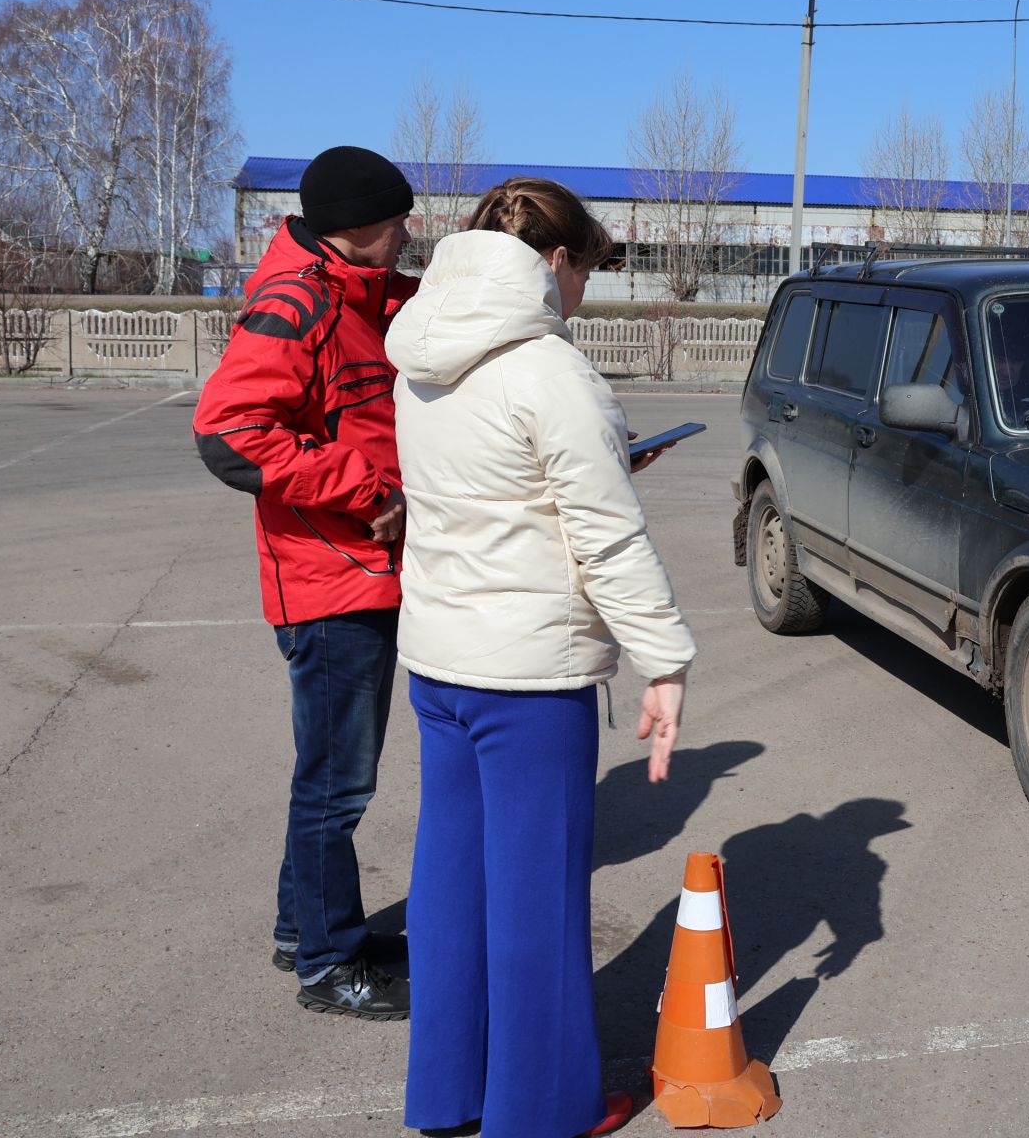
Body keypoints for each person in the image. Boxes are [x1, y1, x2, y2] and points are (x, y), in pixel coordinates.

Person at [386, 176, 695, 1137]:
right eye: (588, 269)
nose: (585, 291)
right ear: (553, 261)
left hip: (439, 658)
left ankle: (447, 1092)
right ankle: (543, 1111)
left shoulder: (420, 355)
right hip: (527, 674)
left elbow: (472, 494)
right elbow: (604, 540)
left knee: (448, 881)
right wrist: (665, 661)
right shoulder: (551, 373)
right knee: (538, 904)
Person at [192, 145, 416, 1020]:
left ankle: (305, 929)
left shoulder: (362, 293)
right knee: (337, 784)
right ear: (357, 226)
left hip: (360, 571)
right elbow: (230, 433)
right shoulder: (299, 302)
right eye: (396, 219)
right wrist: (367, 496)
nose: (407, 231)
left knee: (327, 775)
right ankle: (328, 965)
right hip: (331, 582)